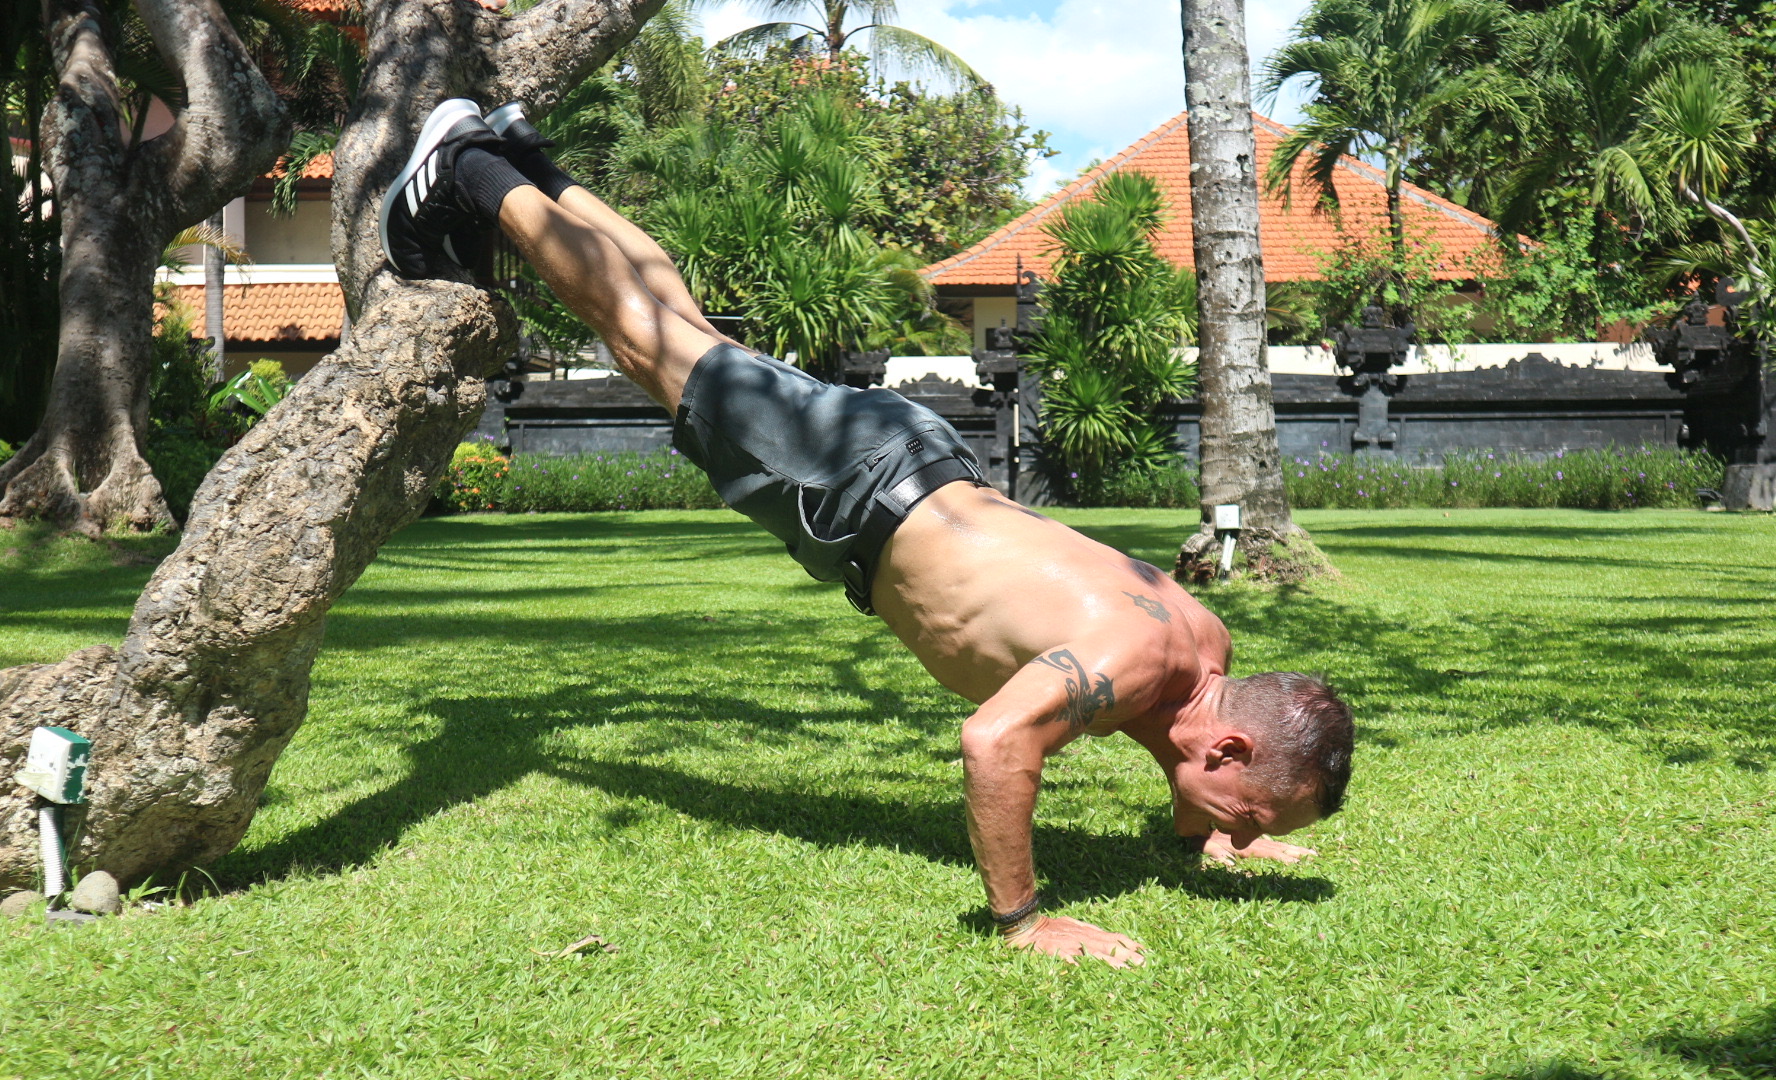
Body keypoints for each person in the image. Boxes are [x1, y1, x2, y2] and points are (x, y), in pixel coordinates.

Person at [380, 99, 1355, 969]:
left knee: (682, 329)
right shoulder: (1135, 658)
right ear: (1229, 749)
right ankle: (464, 171)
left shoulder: (1199, 648)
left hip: (915, 464)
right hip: (849, 486)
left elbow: (1172, 742)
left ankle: (525, 159)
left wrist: (1219, 837)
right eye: (1254, 814)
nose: (1247, 831)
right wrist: (1025, 918)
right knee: (643, 333)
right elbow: (992, 742)